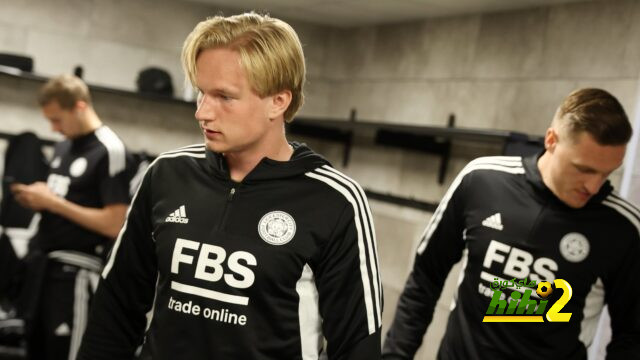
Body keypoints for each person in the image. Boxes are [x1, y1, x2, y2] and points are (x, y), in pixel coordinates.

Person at [77, 12, 382, 360]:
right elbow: (115, 311)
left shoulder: (335, 200)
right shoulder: (167, 175)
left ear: (277, 102)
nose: (202, 112)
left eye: (224, 96)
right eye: (201, 94)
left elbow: (358, 345)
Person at [383, 88, 640, 359]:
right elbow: (425, 277)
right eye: (584, 169)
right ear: (551, 140)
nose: (594, 185)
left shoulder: (623, 229)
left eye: (606, 173)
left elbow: (633, 335)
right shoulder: (482, 180)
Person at [9, 74, 134, 360]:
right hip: (43, 268)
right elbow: (65, 200)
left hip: (76, 274)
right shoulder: (64, 146)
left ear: (79, 107)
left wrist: (53, 203)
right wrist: (40, 198)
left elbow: (115, 223)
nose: (54, 129)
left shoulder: (109, 150)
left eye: (57, 120)